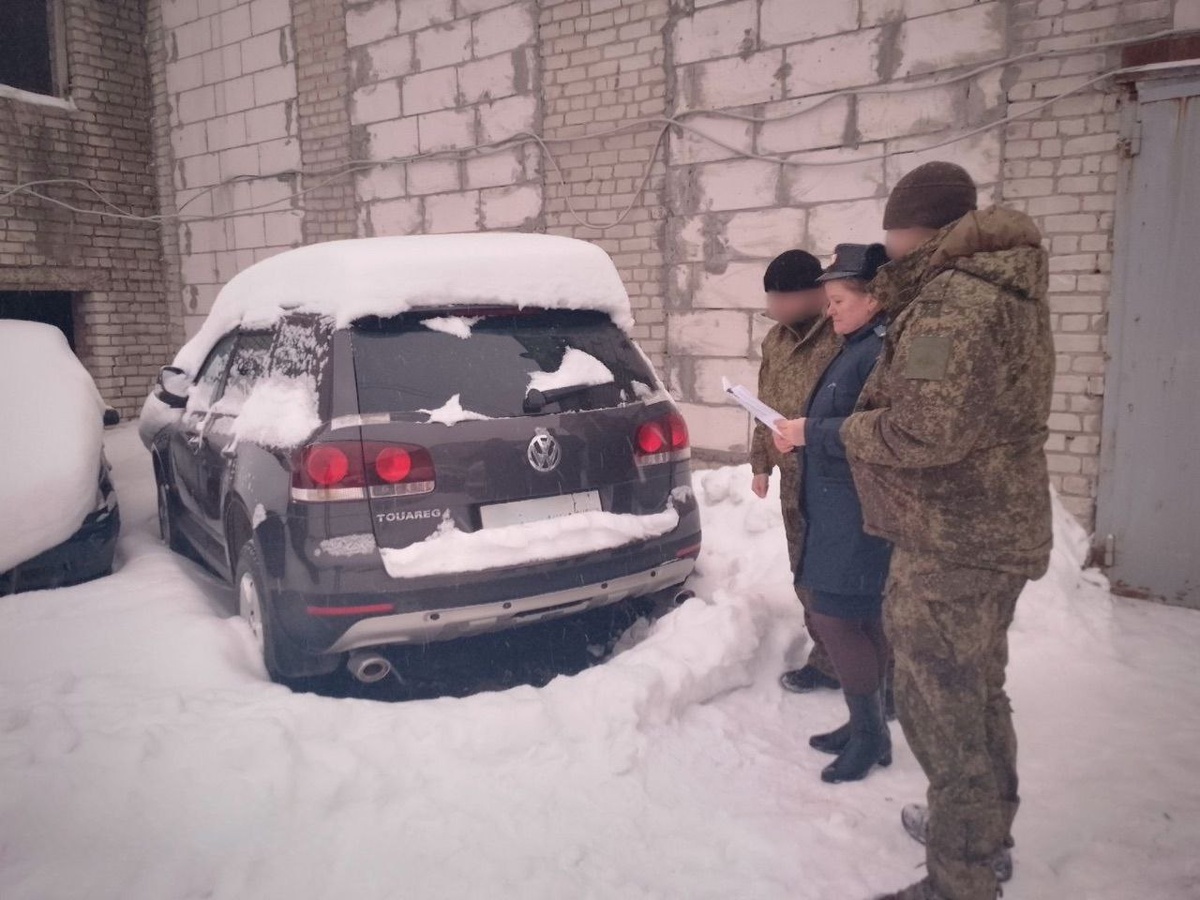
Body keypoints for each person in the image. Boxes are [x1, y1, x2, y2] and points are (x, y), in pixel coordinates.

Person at [837, 163, 1054, 900]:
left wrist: (846, 431)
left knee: (942, 707)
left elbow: (924, 430)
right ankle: (981, 836)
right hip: (992, 528)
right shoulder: (1006, 286)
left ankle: (961, 878)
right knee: (977, 691)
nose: (887, 244)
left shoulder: (955, 303)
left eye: (892, 229)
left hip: (954, 540)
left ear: (913, 228)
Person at [772, 243, 893, 784]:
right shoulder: (856, 346)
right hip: (837, 504)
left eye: (840, 300)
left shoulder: (877, 353)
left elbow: (882, 432)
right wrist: (800, 438)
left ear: (873, 300)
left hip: (857, 509)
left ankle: (870, 733)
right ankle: (868, 725)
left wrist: (810, 433)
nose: (831, 309)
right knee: (857, 615)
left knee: (836, 617)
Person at [748, 250, 842, 695]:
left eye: (782, 299)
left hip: (837, 477)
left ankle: (875, 666)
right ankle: (828, 659)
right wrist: (761, 463)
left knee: (845, 576)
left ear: (814, 293)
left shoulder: (841, 334)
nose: (774, 308)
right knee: (804, 571)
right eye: (771, 299)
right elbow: (764, 405)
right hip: (793, 479)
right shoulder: (776, 341)